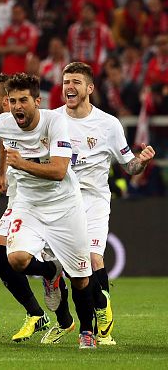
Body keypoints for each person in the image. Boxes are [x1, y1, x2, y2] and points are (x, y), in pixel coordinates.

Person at [0, 72, 97, 349]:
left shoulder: (55, 122)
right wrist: (2, 174)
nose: (17, 107)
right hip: (28, 203)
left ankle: (87, 331)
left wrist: (20, 163)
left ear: (37, 101)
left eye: (23, 100)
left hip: (64, 206)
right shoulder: (3, 122)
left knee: (81, 276)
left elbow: (60, 171)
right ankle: (50, 271)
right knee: (15, 259)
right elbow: (4, 144)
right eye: (12, 101)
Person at [58, 61, 156, 345]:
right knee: (65, 268)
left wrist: (142, 162)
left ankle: (100, 313)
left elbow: (130, 167)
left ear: (89, 88)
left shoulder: (108, 124)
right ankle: (97, 303)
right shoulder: (52, 120)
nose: (69, 87)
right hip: (61, 201)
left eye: (76, 82)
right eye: (66, 82)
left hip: (93, 199)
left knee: (92, 258)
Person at [0, 73, 70, 343]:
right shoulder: (3, 126)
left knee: (71, 265)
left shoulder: (39, 124)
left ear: (5, 99)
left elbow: (52, 161)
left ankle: (65, 319)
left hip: (50, 202)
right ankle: (37, 312)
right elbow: (6, 164)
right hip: (20, 200)